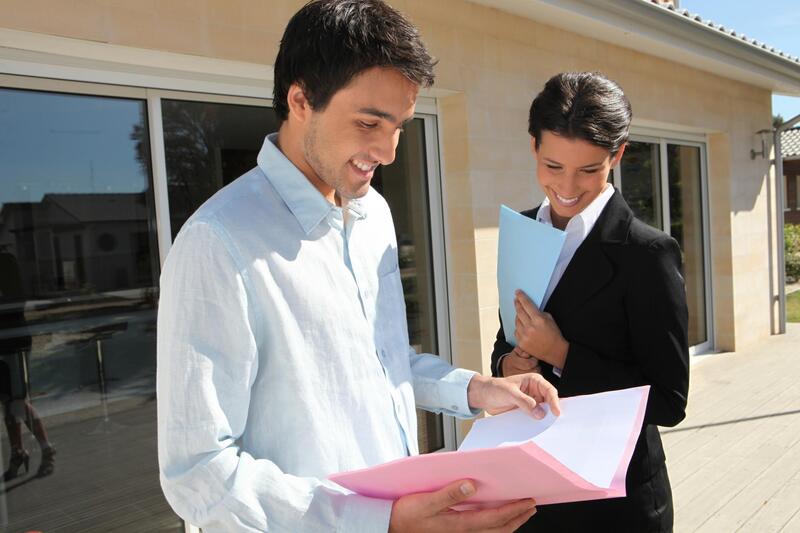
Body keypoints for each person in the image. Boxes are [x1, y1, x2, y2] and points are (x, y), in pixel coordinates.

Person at [157, 1, 560, 532]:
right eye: (370, 122)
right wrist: (378, 522)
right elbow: (198, 472)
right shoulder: (219, 242)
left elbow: (380, 362)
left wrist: (474, 390)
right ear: (300, 99)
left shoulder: (374, 216)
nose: (390, 151)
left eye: (399, 126)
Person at [490, 72, 689, 532]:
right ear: (534, 146)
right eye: (553, 165)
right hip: (532, 490)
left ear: (617, 155)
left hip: (615, 504)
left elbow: (669, 401)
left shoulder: (648, 253)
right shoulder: (522, 228)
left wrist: (561, 354)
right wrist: (511, 364)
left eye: (589, 169)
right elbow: (506, 338)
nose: (567, 186)